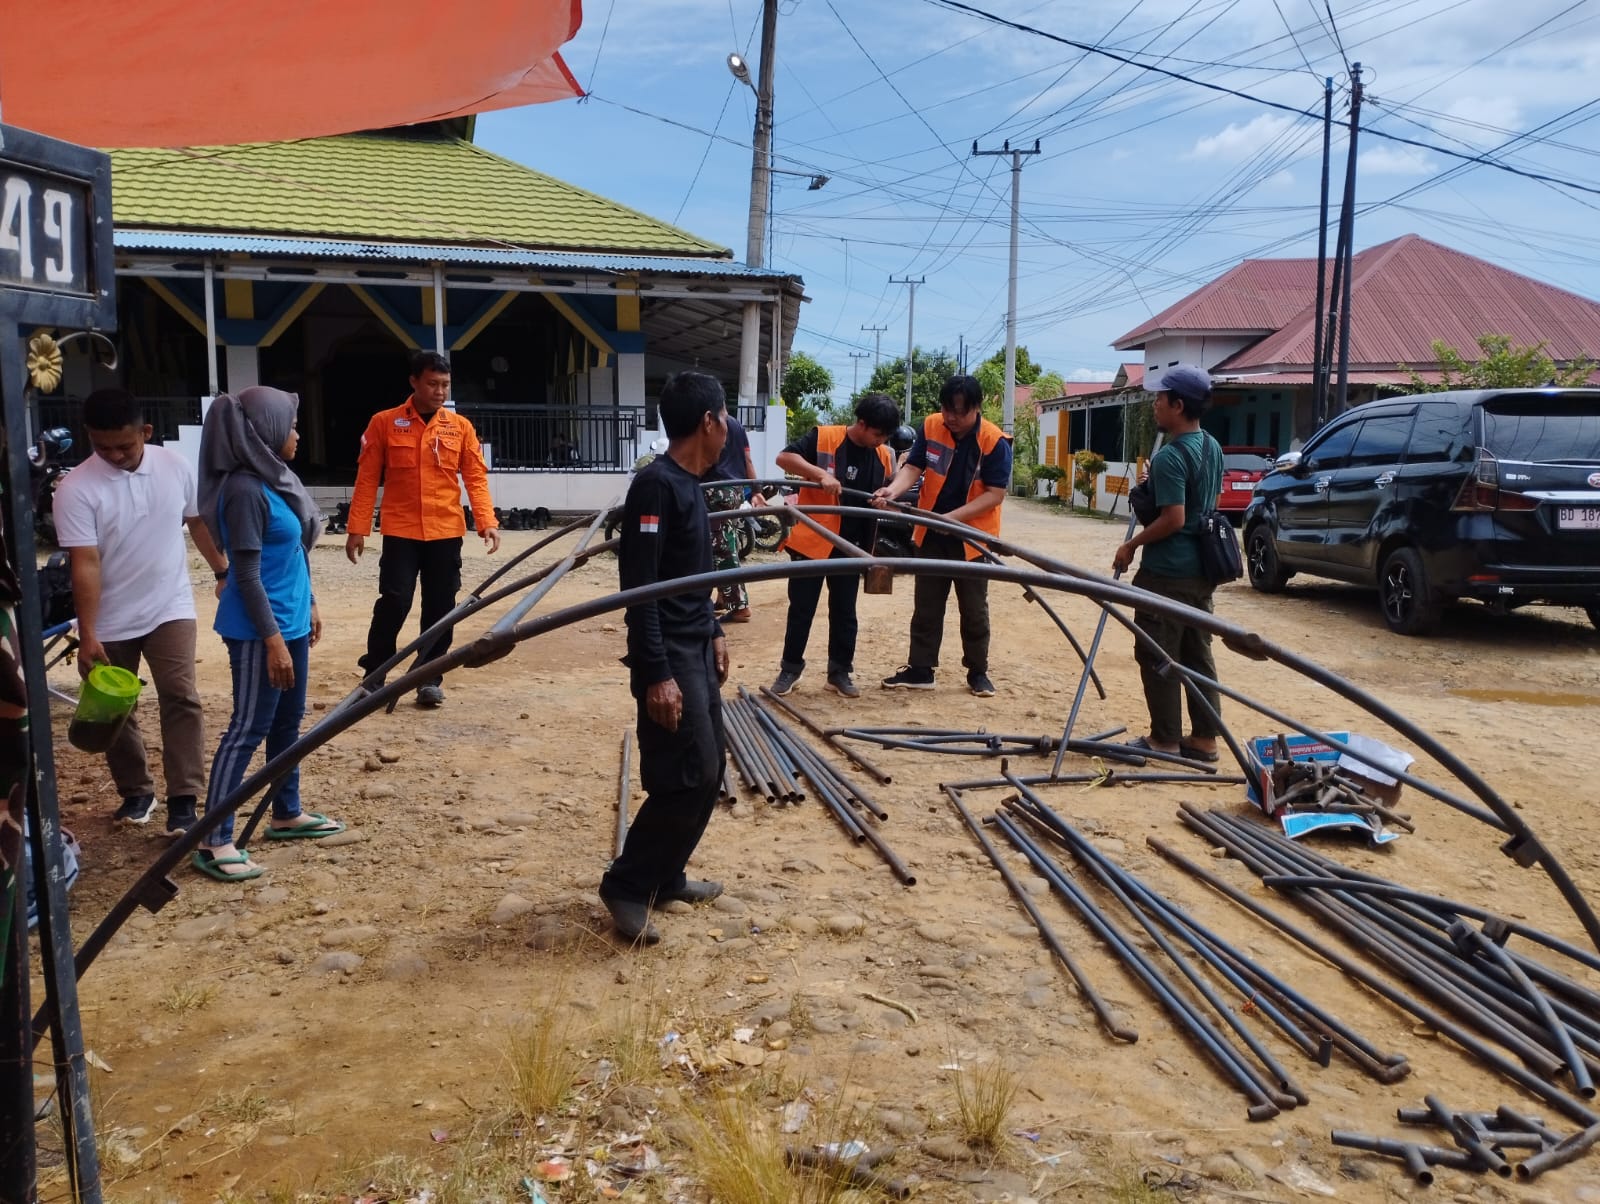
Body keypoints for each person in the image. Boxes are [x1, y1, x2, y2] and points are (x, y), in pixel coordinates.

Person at [53, 389, 229, 835]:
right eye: (102, 446)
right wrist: (88, 632)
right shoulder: (75, 489)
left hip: (169, 604)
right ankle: (136, 791)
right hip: (109, 616)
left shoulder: (174, 466)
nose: (113, 455)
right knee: (114, 706)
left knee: (180, 695)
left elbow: (197, 521)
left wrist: (223, 570)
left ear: (145, 433)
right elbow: (85, 562)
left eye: (124, 446)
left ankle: (184, 799)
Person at [601, 371, 731, 945]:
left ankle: (666, 875)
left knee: (709, 770)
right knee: (688, 773)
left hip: (695, 642)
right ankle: (627, 885)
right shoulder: (655, 486)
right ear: (708, 421)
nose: (729, 428)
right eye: (725, 417)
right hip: (668, 653)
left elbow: (691, 580)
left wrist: (716, 628)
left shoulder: (689, 484)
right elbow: (641, 586)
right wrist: (656, 673)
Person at [192, 387, 342, 881]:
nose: (297, 434)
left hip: (292, 620)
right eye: (291, 425)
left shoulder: (276, 479)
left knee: (286, 723)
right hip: (260, 629)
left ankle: (285, 812)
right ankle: (214, 839)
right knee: (248, 727)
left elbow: (294, 551)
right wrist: (274, 640)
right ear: (266, 432)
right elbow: (247, 574)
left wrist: (312, 602)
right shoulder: (243, 490)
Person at [347, 351, 499, 708]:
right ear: (414, 382)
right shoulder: (384, 423)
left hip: (446, 530)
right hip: (401, 530)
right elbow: (368, 478)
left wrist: (487, 521)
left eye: (445, 384)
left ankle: (429, 675)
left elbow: (475, 477)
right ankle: (375, 674)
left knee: (441, 605)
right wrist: (357, 528)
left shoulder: (459, 426)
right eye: (432, 383)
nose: (439, 391)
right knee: (394, 600)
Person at [1112, 364, 1225, 762]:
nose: (1155, 405)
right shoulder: (1211, 446)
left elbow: (1174, 517)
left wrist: (1132, 546)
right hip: (1202, 572)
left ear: (1178, 405)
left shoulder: (1172, 457)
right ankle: (1206, 739)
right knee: (1196, 655)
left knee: (1158, 653)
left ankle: (1164, 739)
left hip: (1167, 573)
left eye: (1160, 400)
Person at [872, 375, 1011, 697]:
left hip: (972, 539)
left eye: (959, 412)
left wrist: (950, 520)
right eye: (947, 409)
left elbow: (994, 495)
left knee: (974, 610)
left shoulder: (994, 441)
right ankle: (921, 669)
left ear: (976, 408)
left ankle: (978, 672)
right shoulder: (932, 426)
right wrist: (891, 490)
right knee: (927, 606)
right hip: (933, 535)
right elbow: (914, 467)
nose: (951, 418)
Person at [770, 393, 899, 698]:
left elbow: (885, 492)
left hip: (851, 545)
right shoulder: (824, 437)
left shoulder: (881, 455)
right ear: (862, 423)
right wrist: (819, 474)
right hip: (813, 542)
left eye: (885, 436)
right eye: (877, 434)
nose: (880, 441)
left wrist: (884, 498)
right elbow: (783, 458)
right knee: (801, 609)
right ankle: (790, 669)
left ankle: (839, 672)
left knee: (845, 611)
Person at [707, 412, 757, 623]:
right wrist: (756, 489)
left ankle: (739, 606)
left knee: (721, 548)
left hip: (715, 487)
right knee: (727, 543)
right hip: (735, 489)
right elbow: (747, 459)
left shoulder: (710, 423)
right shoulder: (736, 425)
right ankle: (722, 598)